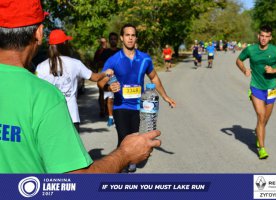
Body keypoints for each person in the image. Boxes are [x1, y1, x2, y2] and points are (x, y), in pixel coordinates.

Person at [0, 0, 161, 173]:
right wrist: (125, 154)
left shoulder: (40, 72)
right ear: (39, 33)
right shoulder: (46, 96)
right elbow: (76, 184)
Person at [99, 24, 176, 172]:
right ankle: (118, 169)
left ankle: (128, 162)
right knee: (123, 138)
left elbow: (154, 78)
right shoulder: (113, 60)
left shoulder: (144, 59)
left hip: (139, 107)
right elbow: (101, 81)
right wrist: (109, 87)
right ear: (122, 38)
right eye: (127, 35)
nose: (130, 38)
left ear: (136, 38)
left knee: (135, 138)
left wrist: (165, 97)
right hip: (121, 106)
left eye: (132, 35)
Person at [36, 29, 108, 132]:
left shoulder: (40, 67)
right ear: (65, 43)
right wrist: (106, 72)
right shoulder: (75, 63)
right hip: (71, 116)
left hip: (49, 117)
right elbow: (95, 77)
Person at [236, 25, 276, 159]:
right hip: (256, 87)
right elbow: (238, 60)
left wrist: (274, 70)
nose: (264, 39)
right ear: (258, 36)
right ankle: (262, 148)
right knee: (261, 116)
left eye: (267, 36)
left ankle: (258, 132)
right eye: (262, 36)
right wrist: (244, 70)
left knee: (265, 119)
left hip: (271, 88)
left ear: (270, 38)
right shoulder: (251, 49)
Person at [96, 32, 121, 127]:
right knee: (110, 98)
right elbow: (101, 64)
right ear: (109, 41)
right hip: (109, 77)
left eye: (115, 39)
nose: (113, 40)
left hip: (120, 77)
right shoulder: (105, 52)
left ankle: (119, 116)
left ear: (118, 40)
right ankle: (110, 117)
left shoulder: (121, 51)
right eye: (112, 39)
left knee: (119, 96)